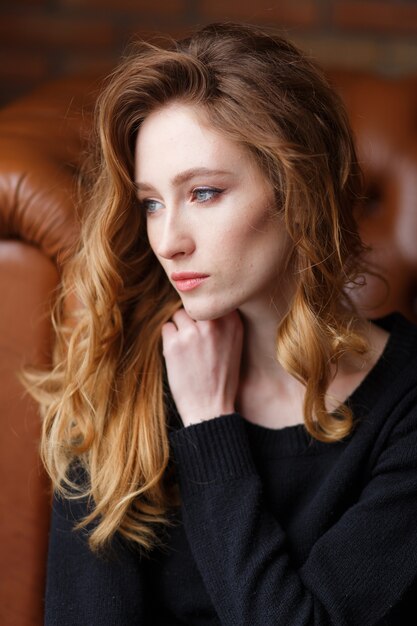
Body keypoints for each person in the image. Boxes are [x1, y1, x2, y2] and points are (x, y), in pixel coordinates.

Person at [27, 22, 417, 625]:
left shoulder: (406, 406)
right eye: (151, 203)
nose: (168, 240)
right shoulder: (121, 378)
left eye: (204, 193)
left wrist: (211, 426)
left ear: (298, 190)